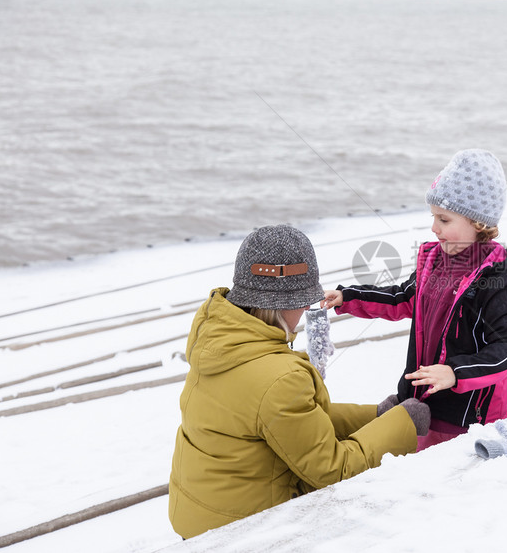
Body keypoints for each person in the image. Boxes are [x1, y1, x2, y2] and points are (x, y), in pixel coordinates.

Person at [168, 225, 430, 540]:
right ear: (278, 304)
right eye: (301, 300)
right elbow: (332, 470)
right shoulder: (278, 377)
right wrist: (402, 422)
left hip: (200, 512)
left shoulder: (220, 343)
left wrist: (376, 415)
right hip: (244, 528)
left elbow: (290, 419)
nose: (307, 307)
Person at [323, 149, 507, 451]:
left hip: (468, 416)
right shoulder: (434, 261)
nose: (434, 228)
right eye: (433, 217)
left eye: (444, 219)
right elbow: (403, 298)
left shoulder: (501, 276)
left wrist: (455, 373)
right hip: (422, 399)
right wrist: (348, 297)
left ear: (478, 223)